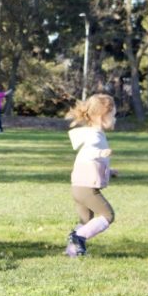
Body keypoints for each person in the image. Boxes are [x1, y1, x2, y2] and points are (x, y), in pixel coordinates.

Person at [64, 93, 118, 257]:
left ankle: (72, 251)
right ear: (103, 115)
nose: (115, 119)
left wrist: (110, 170)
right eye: (113, 115)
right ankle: (78, 238)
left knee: (86, 221)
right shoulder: (94, 135)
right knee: (108, 215)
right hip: (87, 188)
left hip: (78, 186)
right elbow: (90, 151)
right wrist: (100, 153)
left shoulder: (94, 133)